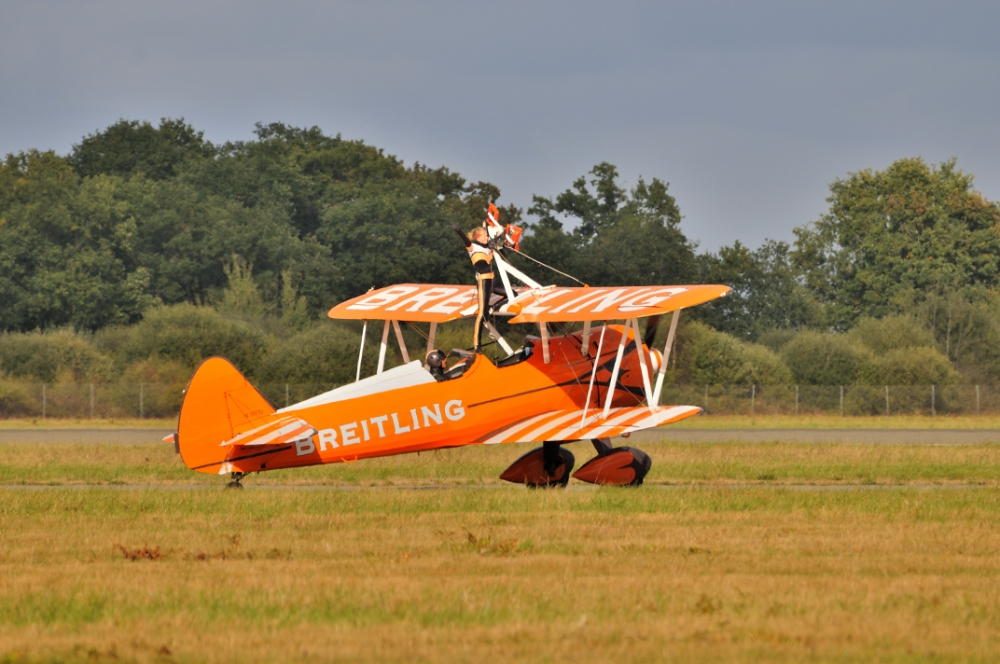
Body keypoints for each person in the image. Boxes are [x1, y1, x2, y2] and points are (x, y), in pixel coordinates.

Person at [449, 224, 507, 353]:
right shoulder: (473, 247)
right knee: (481, 313)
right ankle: (477, 344)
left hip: (492, 281)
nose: (487, 237)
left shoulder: (488, 248)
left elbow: (504, 256)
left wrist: (498, 243)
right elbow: (466, 241)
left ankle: (492, 308)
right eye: (485, 235)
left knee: (512, 294)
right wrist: (459, 230)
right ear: (478, 237)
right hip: (483, 281)